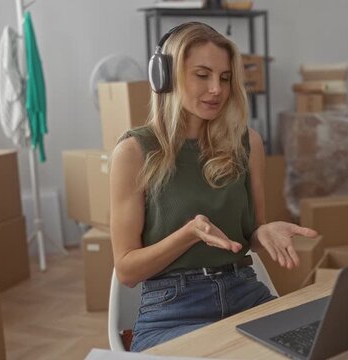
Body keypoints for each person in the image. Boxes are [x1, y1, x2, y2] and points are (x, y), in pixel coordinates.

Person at [109, 22, 318, 352]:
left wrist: (263, 233)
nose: (217, 89)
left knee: (317, 344)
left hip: (245, 292)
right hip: (172, 310)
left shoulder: (248, 143)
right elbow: (127, 270)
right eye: (202, 75)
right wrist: (189, 233)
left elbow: (252, 231)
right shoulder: (135, 152)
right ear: (165, 77)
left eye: (224, 78)